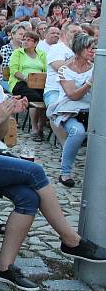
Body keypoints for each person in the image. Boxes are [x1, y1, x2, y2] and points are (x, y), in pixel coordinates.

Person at [0, 43, 106, 290]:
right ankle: (70, 239)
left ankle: (4, 267)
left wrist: (8, 116)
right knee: (36, 171)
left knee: (28, 198)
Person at [53, 33, 95, 187]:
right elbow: (73, 95)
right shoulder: (65, 69)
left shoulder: (96, 67)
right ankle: (65, 173)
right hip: (70, 110)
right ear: (79, 49)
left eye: (93, 48)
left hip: (92, 111)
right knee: (77, 132)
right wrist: (89, 83)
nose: (92, 51)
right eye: (88, 48)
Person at [8, 30, 47, 141]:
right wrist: (27, 79)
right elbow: (14, 71)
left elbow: (46, 70)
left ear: (35, 43)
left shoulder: (42, 54)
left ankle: (40, 127)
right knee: (35, 97)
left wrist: (38, 80)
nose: (25, 42)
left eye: (29, 40)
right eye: (24, 39)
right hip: (20, 82)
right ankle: (34, 129)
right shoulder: (18, 53)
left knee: (46, 97)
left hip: (39, 83)